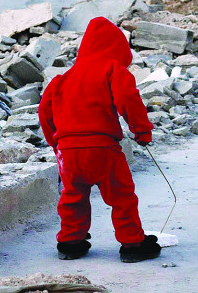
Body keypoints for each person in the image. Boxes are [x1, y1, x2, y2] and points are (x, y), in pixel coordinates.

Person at [38, 17, 161, 263]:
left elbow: (44, 111)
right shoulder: (113, 69)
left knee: (73, 196)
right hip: (103, 148)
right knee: (121, 196)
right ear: (118, 50)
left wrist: (56, 143)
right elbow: (128, 97)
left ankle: (71, 242)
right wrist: (141, 131)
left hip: (69, 151)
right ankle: (133, 243)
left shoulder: (61, 79)